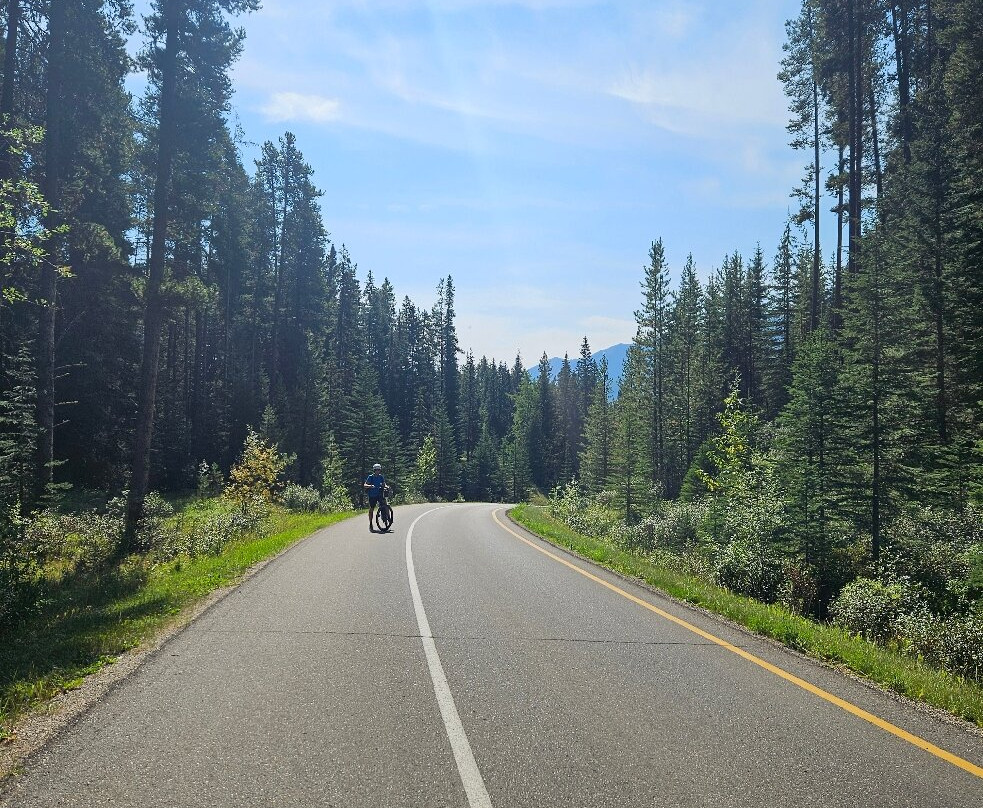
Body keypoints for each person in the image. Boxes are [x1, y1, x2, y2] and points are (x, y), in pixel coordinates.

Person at [363, 463, 386, 532]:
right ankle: (370, 523)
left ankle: (385, 517)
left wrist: (385, 486)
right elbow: (365, 485)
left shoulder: (381, 477)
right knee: (371, 509)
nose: (377, 471)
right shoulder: (371, 477)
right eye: (376, 470)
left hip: (379, 494)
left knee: (384, 504)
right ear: (374, 470)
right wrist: (370, 486)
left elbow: (384, 483)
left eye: (379, 470)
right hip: (372, 495)